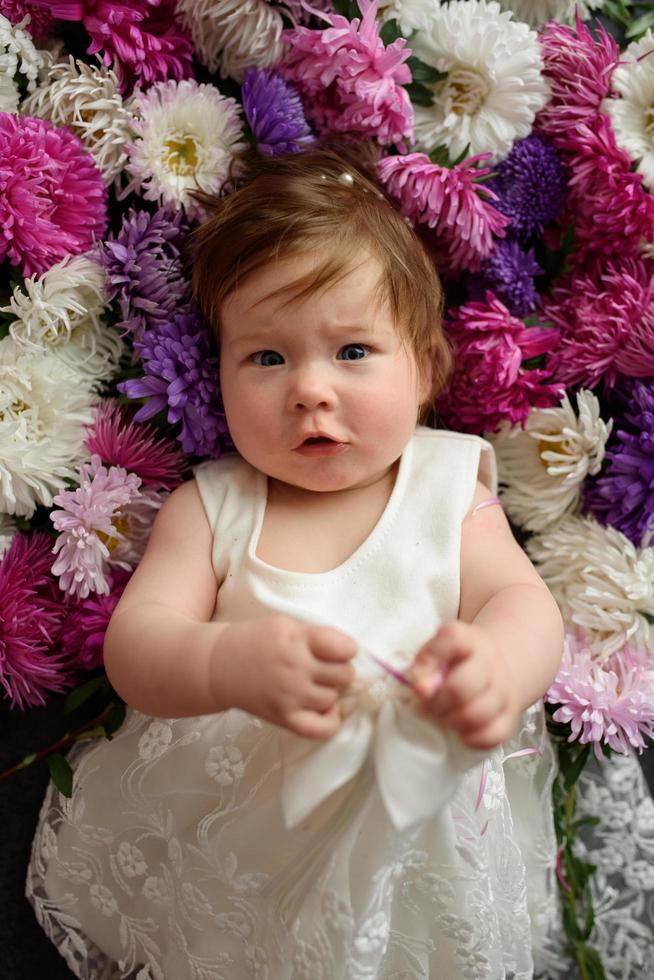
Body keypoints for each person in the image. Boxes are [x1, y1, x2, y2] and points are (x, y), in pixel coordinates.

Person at [27, 146, 564, 980]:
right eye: (267, 358)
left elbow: (522, 603)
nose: (310, 390)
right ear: (221, 370)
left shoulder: (449, 483)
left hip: (417, 821)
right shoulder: (213, 505)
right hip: (247, 827)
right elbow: (137, 646)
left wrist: (496, 663)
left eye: (352, 352)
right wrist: (223, 659)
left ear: (425, 366)